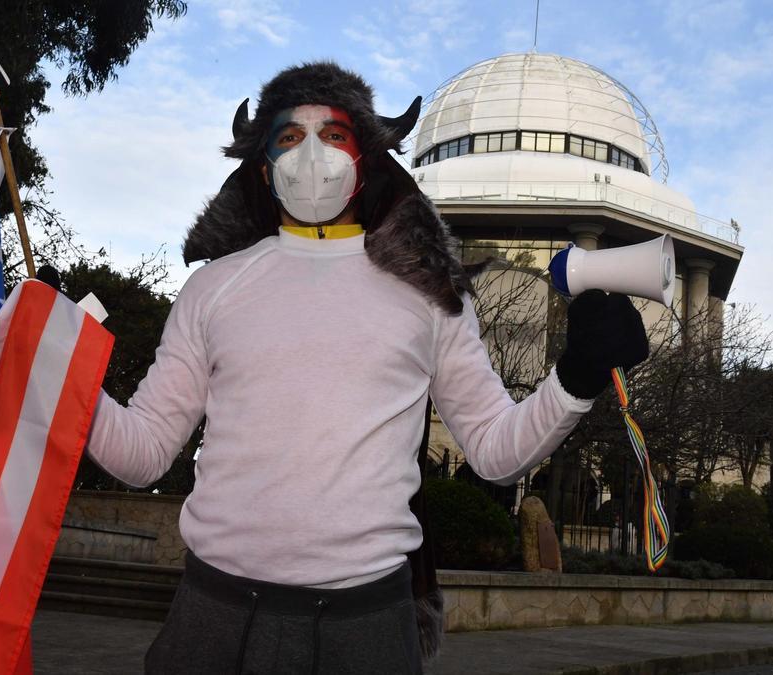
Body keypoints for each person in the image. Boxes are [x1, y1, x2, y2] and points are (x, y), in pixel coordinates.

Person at [85, 62, 648, 675]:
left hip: (368, 627)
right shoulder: (212, 289)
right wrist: (59, 370)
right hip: (213, 615)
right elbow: (141, 453)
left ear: (368, 154)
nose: (310, 155)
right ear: (264, 164)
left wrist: (577, 376)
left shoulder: (430, 295)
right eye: (289, 138)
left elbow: (494, 449)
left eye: (333, 135)